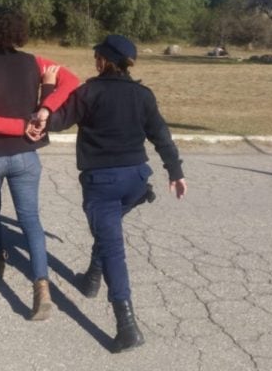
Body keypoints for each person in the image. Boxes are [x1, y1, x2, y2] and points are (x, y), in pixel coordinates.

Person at [29, 34, 187, 350]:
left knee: (112, 246)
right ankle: (90, 279)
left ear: (104, 60)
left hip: (103, 184)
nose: (94, 61)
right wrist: (176, 171)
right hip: (137, 180)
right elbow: (161, 135)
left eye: (96, 57)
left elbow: (57, 122)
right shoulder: (143, 95)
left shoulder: (88, 92)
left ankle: (127, 327)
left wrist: (47, 91)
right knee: (109, 231)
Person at [0, 7, 79, 321]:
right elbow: (71, 81)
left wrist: (20, 124)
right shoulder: (35, 63)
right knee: (30, 218)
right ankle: (41, 284)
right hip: (25, 155)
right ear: (19, 33)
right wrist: (45, 109)